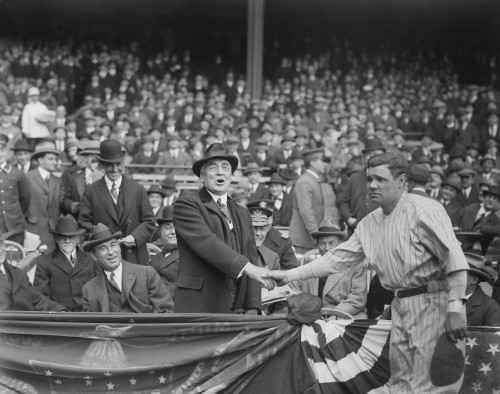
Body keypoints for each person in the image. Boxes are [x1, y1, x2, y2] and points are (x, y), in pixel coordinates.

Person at [266, 152, 468, 393]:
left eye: (380, 179)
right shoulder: (370, 221)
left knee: (432, 384)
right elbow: (335, 259)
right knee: (401, 381)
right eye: (369, 179)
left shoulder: (425, 209)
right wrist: (289, 275)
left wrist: (456, 308)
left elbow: (454, 260)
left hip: (434, 302)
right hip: (401, 304)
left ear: (401, 181)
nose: (371, 185)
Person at [173, 143, 271, 314]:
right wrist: (248, 268)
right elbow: (207, 243)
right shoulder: (186, 204)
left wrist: (253, 306)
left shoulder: (242, 213)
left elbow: (251, 256)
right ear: (202, 176)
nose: (220, 172)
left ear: (231, 175)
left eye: (225, 167)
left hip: (236, 306)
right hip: (199, 305)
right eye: (213, 167)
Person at [79, 139, 156, 265]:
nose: (114, 169)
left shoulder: (137, 189)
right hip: (106, 257)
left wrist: (135, 237)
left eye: (118, 164)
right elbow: (84, 223)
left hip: (134, 255)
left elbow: (149, 221)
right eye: (110, 165)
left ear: (123, 163)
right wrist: (103, 239)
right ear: (102, 165)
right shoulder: (91, 191)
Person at [81, 223, 173, 313]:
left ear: (119, 247)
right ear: (94, 256)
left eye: (113, 245)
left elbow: (165, 311)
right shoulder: (89, 289)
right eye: (103, 249)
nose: (111, 252)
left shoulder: (147, 274)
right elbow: (91, 325)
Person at [299, 219, 367, 319]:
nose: (327, 248)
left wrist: (335, 314)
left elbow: (358, 299)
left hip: (344, 315)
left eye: (331, 243)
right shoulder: (310, 267)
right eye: (322, 243)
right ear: (317, 244)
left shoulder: (355, 265)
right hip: (313, 316)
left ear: (341, 244)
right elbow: (300, 293)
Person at [33, 215, 99, 311]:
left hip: (89, 316)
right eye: (63, 237)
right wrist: (59, 311)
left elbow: (100, 290)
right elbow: (40, 297)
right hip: (61, 318)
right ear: (56, 239)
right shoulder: (44, 263)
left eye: (71, 237)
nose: (67, 241)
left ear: (77, 238)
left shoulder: (91, 259)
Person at [0, 231, 65, 312]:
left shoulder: (18, 274)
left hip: (27, 322)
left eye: (1, 243)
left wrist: (60, 311)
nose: (0, 250)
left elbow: (36, 299)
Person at [289, 148, 338, 254]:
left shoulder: (311, 180)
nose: (325, 164)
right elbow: (306, 211)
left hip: (308, 239)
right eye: (321, 161)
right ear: (312, 163)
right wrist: (315, 234)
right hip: (304, 240)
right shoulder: (305, 182)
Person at [26, 141, 61, 251]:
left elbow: (61, 201)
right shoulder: (27, 178)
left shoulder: (57, 180)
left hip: (53, 232)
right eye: (51, 159)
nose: (55, 162)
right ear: (40, 160)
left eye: (55, 159)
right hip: (33, 231)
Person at [247, 200, 298, 270]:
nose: (265, 221)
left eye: (268, 217)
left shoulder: (283, 242)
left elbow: (291, 272)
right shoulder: (242, 239)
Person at [0, 135, 31, 245]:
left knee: (16, 259)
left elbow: (25, 199)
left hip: (15, 227)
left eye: (2, 150)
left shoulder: (17, 173)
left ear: (8, 153)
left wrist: (15, 213)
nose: (0, 154)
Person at [149, 206, 179, 300]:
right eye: (167, 228)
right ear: (161, 232)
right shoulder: (154, 259)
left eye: (177, 227)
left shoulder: (191, 257)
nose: (173, 232)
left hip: (178, 309)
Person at [463, 250, 500, 326]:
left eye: (459, 274)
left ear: (474, 280)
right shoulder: (444, 299)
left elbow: (490, 337)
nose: (453, 278)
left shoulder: (490, 307)